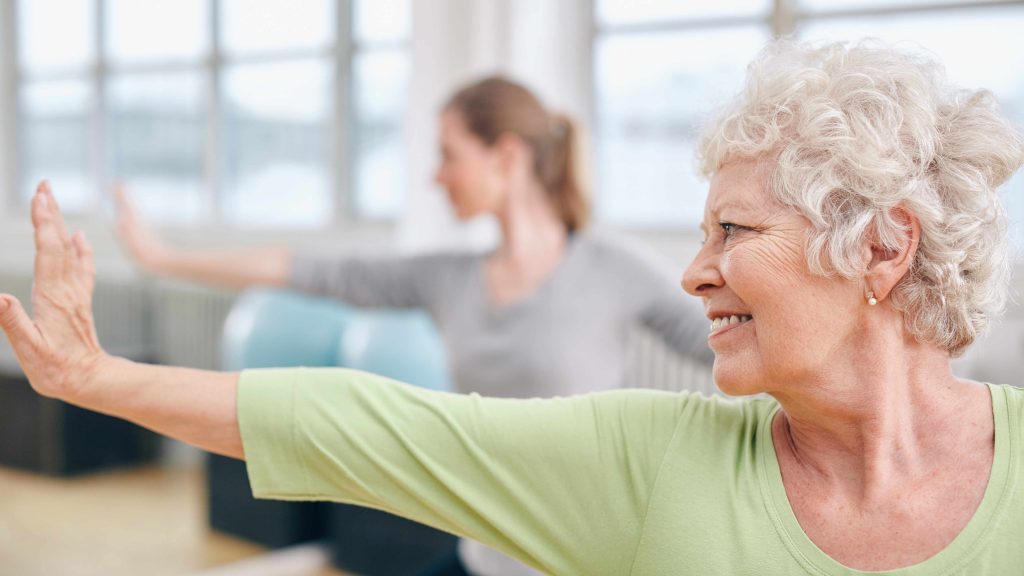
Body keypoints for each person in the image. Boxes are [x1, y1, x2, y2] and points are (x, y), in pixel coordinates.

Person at [3, 39, 1024, 574]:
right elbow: (368, 415)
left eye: (734, 234)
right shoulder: (652, 459)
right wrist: (101, 369)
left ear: (884, 248)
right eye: (702, 234)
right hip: (496, 538)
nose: (694, 270)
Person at [112, 76, 712, 575]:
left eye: (449, 154)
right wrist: (164, 259)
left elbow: (723, 343)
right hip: (486, 552)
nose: (436, 175)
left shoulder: (614, 266)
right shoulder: (448, 277)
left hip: (581, 556)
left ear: (505, 154)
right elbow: (309, 270)